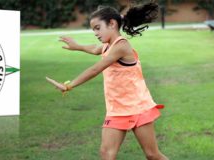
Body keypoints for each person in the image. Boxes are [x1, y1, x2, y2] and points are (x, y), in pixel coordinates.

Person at [46, 2, 168, 160]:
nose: (95, 33)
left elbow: (95, 69)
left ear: (112, 23)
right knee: (106, 154)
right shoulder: (106, 46)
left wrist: (68, 85)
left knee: (152, 155)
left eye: (97, 28)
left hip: (138, 107)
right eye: (93, 29)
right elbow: (94, 48)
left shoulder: (121, 46)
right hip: (117, 110)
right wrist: (78, 46)